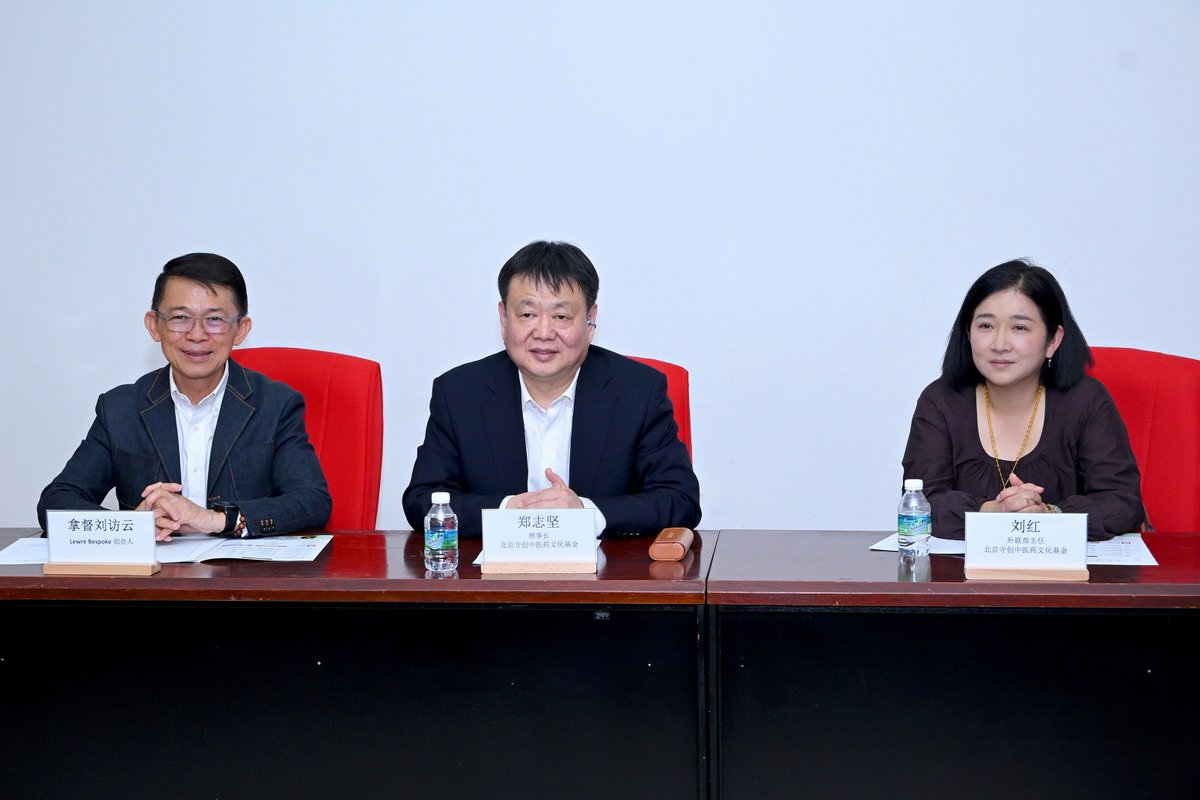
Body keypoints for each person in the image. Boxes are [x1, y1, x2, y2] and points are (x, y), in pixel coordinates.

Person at [402, 240, 701, 538]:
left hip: (602, 580)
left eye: (561, 317)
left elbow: (680, 500)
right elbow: (422, 500)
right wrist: (507, 513)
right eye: (527, 315)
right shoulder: (459, 394)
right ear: (504, 319)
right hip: (493, 580)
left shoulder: (637, 391)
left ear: (590, 320)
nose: (543, 333)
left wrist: (586, 514)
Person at [37, 253, 331, 540]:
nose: (197, 334)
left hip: (243, 582)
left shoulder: (275, 404)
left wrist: (215, 519)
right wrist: (131, 527)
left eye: (214, 319)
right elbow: (57, 500)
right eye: (180, 318)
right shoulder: (120, 409)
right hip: (152, 582)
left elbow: (312, 501)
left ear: (240, 330)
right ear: (155, 325)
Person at [901, 259, 1145, 540]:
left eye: (1019, 328)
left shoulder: (1086, 400)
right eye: (986, 326)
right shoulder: (940, 401)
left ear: (1053, 340)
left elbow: (1123, 503)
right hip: (963, 580)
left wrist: (1049, 515)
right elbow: (920, 502)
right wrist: (991, 511)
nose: (999, 344)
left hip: (1068, 579)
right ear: (968, 333)